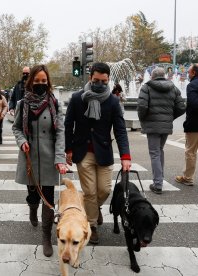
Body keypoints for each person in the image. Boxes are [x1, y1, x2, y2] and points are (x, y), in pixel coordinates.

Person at [64, 62, 132, 245]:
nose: (100, 84)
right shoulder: (77, 98)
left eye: (103, 81)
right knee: (90, 192)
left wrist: (125, 156)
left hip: (104, 152)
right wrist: (68, 149)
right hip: (83, 152)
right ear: (90, 78)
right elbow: (68, 125)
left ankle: (94, 209)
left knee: (104, 190)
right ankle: (91, 226)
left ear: (108, 80)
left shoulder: (113, 101)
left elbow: (120, 130)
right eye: (96, 80)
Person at [12, 64, 68, 257]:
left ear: (48, 82)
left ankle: (46, 236)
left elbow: (60, 132)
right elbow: (17, 128)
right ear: (30, 82)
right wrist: (22, 141)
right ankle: (32, 207)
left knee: (49, 199)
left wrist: (60, 158)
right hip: (29, 157)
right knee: (33, 195)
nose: (40, 84)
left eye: (44, 81)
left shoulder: (55, 104)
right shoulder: (22, 104)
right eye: (37, 81)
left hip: (49, 157)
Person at [137, 67, 186, 195]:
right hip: (165, 126)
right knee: (159, 151)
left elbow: (142, 106)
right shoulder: (173, 88)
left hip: (152, 126)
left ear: (152, 76)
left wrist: (143, 119)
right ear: (164, 76)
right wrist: (169, 117)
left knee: (154, 153)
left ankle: (158, 184)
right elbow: (181, 107)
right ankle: (160, 180)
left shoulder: (146, 87)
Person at [176, 64, 198, 186]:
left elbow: (194, 105)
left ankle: (188, 177)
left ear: (194, 73)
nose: (188, 75)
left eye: (189, 73)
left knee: (191, 151)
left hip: (195, 124)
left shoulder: (192, 85)